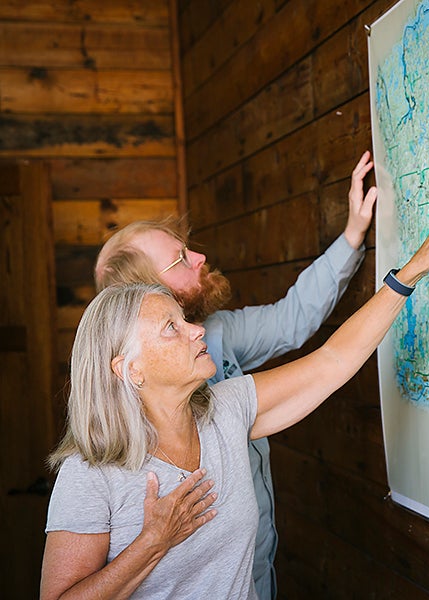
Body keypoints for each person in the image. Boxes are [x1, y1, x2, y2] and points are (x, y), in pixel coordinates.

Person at [40, 206, 429, 599]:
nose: (197, 331)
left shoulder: (229, 409)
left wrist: (408, 275)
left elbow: (333, 360)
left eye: (185, 319)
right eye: (172, 328)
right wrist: (151, 544)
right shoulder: (91, 473)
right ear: (130, 369)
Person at [92, 152, 378, 600]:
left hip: (258, 570)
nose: (200, 256)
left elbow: (291, 321)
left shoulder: (218, 332)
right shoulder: (101, 453)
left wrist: (353, 235)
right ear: (147, 292)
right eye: (180, 259)